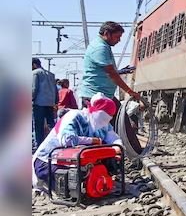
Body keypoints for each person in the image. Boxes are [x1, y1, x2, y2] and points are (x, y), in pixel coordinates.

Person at [78, 21, 144, 152]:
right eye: (117, 37)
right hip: (95, 97)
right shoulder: (100, 48)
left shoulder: (103, 46)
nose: (119, 40)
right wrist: (130, 91)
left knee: (122, 125)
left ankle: (136, 154)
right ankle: (105, 161)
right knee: (101, 130)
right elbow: (111, 73)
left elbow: (107, 72)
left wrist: (121, 72)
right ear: (107, 33)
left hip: (104, 96)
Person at [31, 93, 122, 188]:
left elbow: (113, 138)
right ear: (94, 111)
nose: (104, 122)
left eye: (107, 119)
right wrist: (93, 140)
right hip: (48, 160)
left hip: (78, 161)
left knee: (108, 163)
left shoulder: (104, 125)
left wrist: (117, 146)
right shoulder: (75, 116)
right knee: (70, 181)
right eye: (103, 117)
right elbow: (67, 139)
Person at [32, 58, 58, 147]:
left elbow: (34, 88)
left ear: (34, 64)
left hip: (39, 103)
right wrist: (55, 101)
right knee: (51, 124)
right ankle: (55, 142)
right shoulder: (51, 74)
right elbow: (55, 90)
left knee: (38, 125)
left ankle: (39, 145)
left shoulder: (35, 73)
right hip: (50, 103)